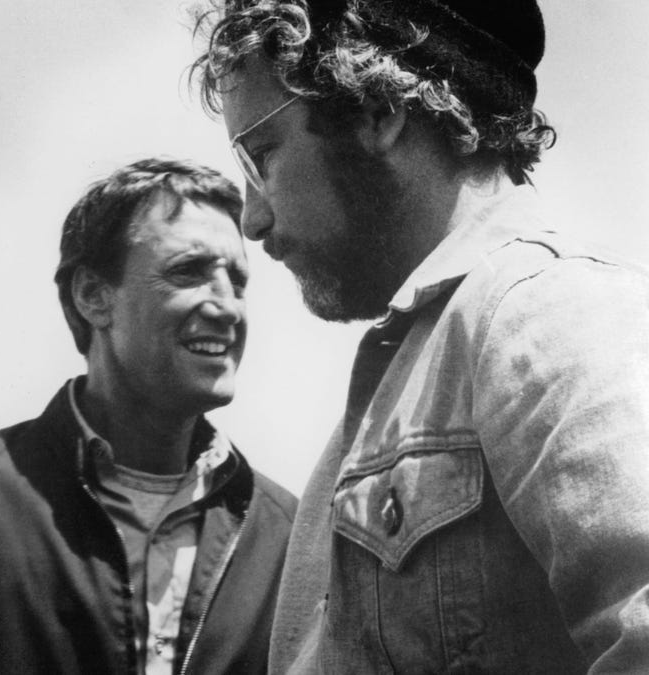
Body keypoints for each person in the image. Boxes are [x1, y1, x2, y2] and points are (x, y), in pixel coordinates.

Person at [190, 1, 649, 672]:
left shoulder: (542, 308)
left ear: (378, 110)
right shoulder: (400, 382)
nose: (252, 219)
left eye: (260, 157)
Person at [0, 158, 297, 674]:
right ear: (93, 296)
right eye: (188, 272)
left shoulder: (290, 532)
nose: (227, 308)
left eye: (239, 282)